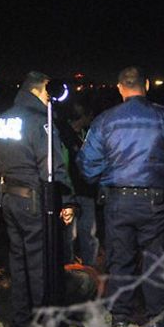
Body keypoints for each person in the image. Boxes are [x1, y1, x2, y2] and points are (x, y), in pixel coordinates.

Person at [77, 66, 164, 327]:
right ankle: (159, 323)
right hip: (155, 200)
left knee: (120, 260)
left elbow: (87, 164)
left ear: (120, 87)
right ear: (147, 85)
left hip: (117, 200)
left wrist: (105, 178)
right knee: (156, 261)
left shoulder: (105, 120)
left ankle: (120, 319)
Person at [0, 71, 76, 327]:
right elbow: (52, 167)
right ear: (40, 89)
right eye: (49, 92)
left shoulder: (1, 120)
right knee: (40, 265)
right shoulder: (40, 120)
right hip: (35, 200)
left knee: (19, 263)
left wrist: (12, 175)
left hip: (9, 198)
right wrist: (67, 199)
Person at [56, 97, 100, 267]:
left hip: (84, 190)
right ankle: (68, 269)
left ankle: (88, 269)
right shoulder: (63, 135)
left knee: (87, 234)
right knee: (69, 235)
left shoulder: (84, 134)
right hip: (70, 192)